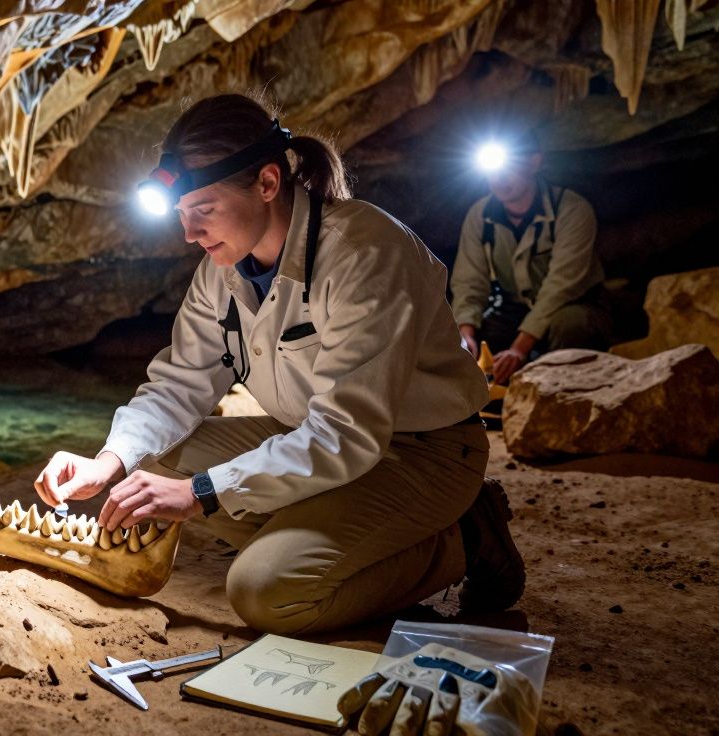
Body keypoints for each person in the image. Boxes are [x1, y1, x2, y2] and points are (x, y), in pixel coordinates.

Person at [33, 94, 525, 636]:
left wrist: (203, 493)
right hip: (315, 437)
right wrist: (108, 462)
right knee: (154, 460)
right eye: (180, 215)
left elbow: (347, 433)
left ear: (268, 184)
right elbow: (178, 385)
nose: (188, 233)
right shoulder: (221, 270)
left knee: (267, 592)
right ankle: (328, 534)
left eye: (203, 210)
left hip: (422, 451)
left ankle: (466, 539)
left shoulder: (364, 255)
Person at [452, 132, 613, 385]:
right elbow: (469, 281)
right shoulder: (480, 216)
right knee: (479, 344)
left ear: (534, 163)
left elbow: (562, 286)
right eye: (493, 170)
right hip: (515, 308)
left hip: (572, 306)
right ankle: (495, 404)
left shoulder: (571, 209)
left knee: (570, 325)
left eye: (509, 169)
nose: (500, 179)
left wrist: (520, 347)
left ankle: (564, 395)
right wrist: (465, 334)